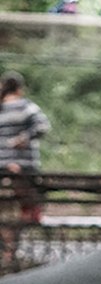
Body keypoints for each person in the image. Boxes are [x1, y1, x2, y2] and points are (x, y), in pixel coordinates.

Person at [0, 70, 51, 224]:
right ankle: (32, 218)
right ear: (19, 88)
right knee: (30, 194)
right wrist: (25, 138)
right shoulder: (26, 106)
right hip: (24, 164)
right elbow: (43, 126)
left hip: (2, 163)